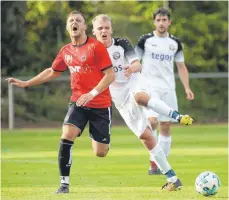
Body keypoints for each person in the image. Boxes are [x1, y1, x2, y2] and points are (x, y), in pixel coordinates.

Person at [6, 10, 115, 194]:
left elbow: (110, 75)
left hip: (100, 105)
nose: (75, 23)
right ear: (67, 27)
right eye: (71, 21)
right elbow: (53, 71)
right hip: (78, 103)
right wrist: (27, 83)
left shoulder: (96, 47)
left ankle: (96, 136)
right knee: (66, 135)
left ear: (84, 26)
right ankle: (64, 184)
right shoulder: (66, 51)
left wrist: (93, 93)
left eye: (78, 20)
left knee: (100, 152)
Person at [92, 14, 193, 191]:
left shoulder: (121, 43)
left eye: (106, 27)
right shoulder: (92, 52)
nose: (104, 31)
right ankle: (173, 179)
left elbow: (138, 64)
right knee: (146, 137)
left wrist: (132, 68)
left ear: (111, 29)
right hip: (119, 97)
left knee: (140, 98)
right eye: (100, 28)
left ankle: (177, 116)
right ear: (94, 31)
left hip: (135, 81)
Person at [135, 7, 195, 175]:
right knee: (152, 122)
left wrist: (187, 87)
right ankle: (153, 160)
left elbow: (181, 67)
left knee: (166, 126)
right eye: (158, 20)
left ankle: (160, 163)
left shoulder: (175, 43)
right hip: (149, 87)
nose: (161, 23)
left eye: (164, 20)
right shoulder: (145, 40)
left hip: (168, 88)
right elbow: (134, 60)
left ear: (169, 22)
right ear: (154, 22)